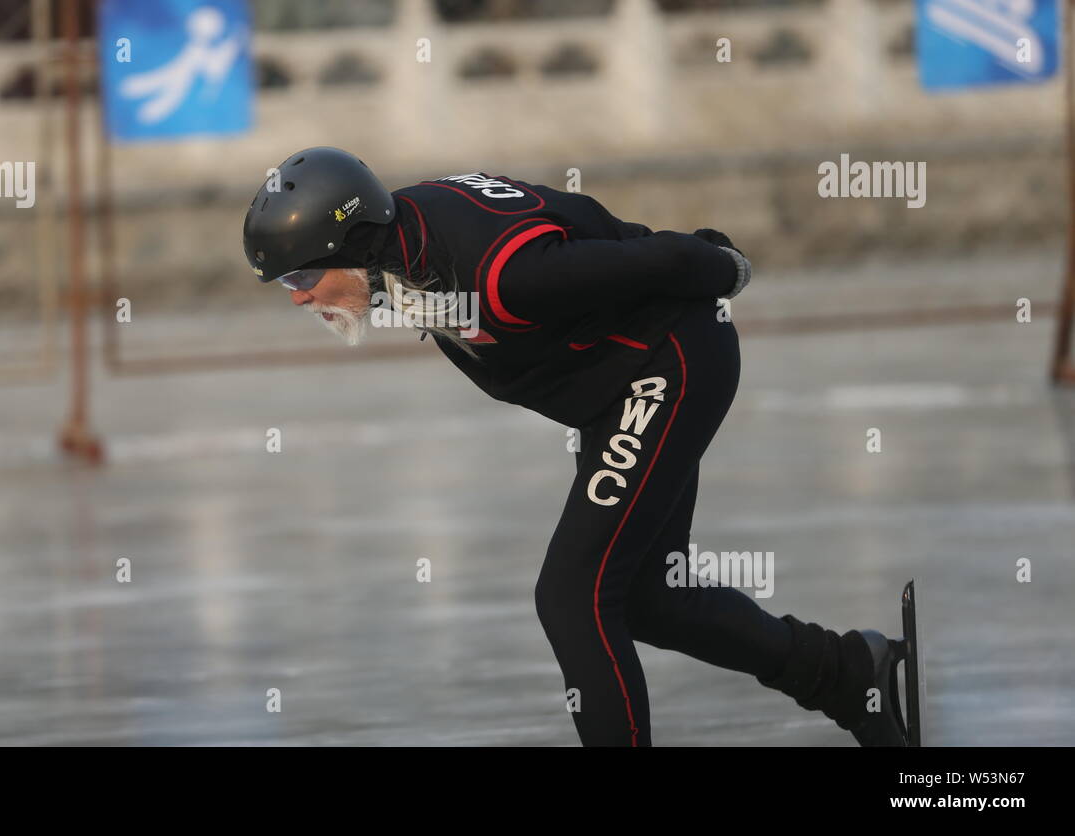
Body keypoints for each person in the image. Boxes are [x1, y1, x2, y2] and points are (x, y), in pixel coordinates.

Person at [242, 145, 912, 747]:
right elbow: (561, 219)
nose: (299, 300)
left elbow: (654, 258)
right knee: (654, 599)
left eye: (299, 279)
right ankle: (848, 673)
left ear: (351, 244)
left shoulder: (501, 276)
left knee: (573, 595)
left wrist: (721, 262)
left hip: (669, 364)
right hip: (616, 387)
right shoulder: (401, 244)